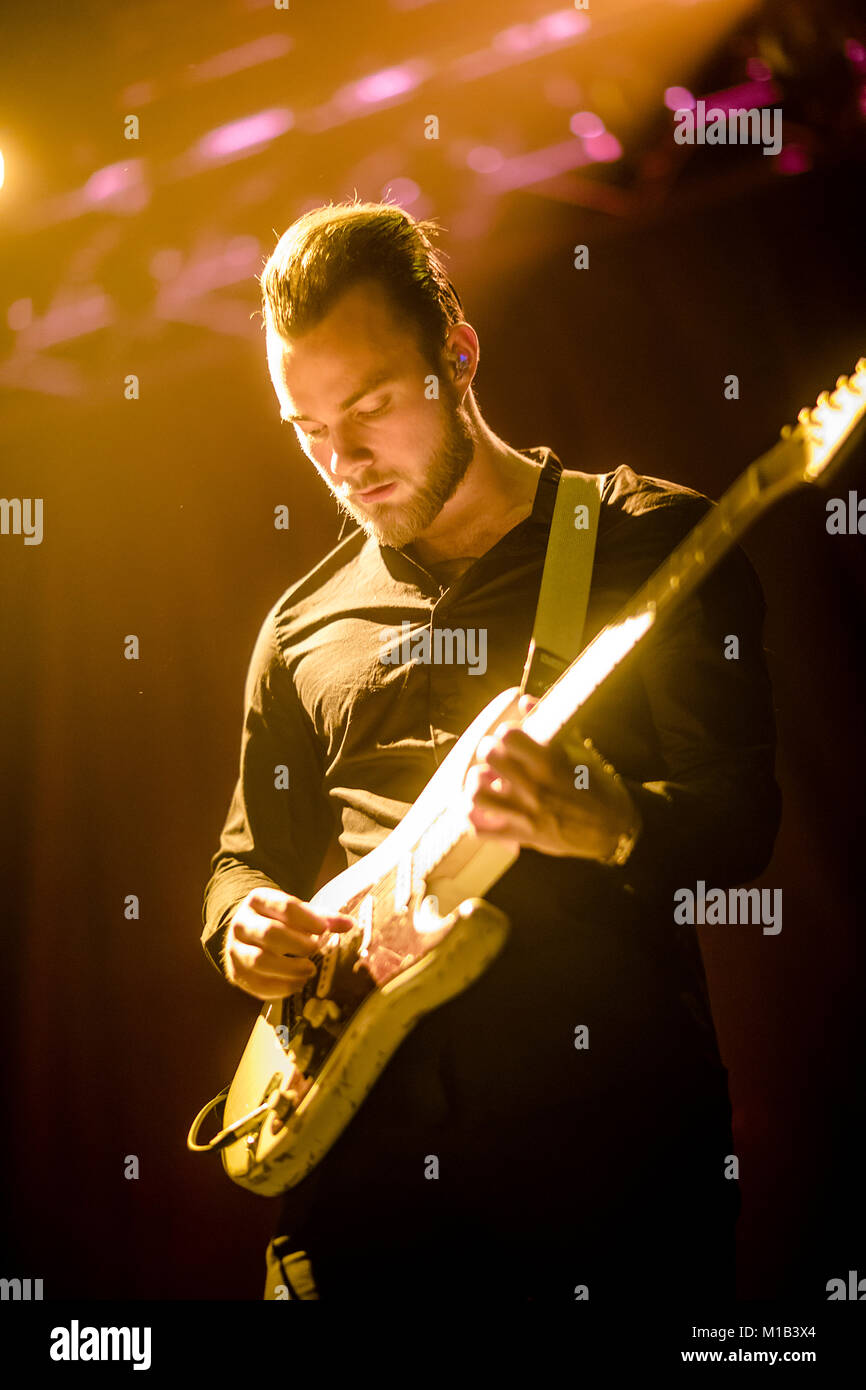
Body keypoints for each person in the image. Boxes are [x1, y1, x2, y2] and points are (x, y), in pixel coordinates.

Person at [201, 199, 781, 1301]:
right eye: (307, 428)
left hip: (599, 1183)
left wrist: (609, 821)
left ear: (456, 353)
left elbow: (739, 819)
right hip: (352, 1190)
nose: (344, 459)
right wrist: (243, 928)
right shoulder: (297, 627)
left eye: (370, 406)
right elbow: (242, 860)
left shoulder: (640, 539)